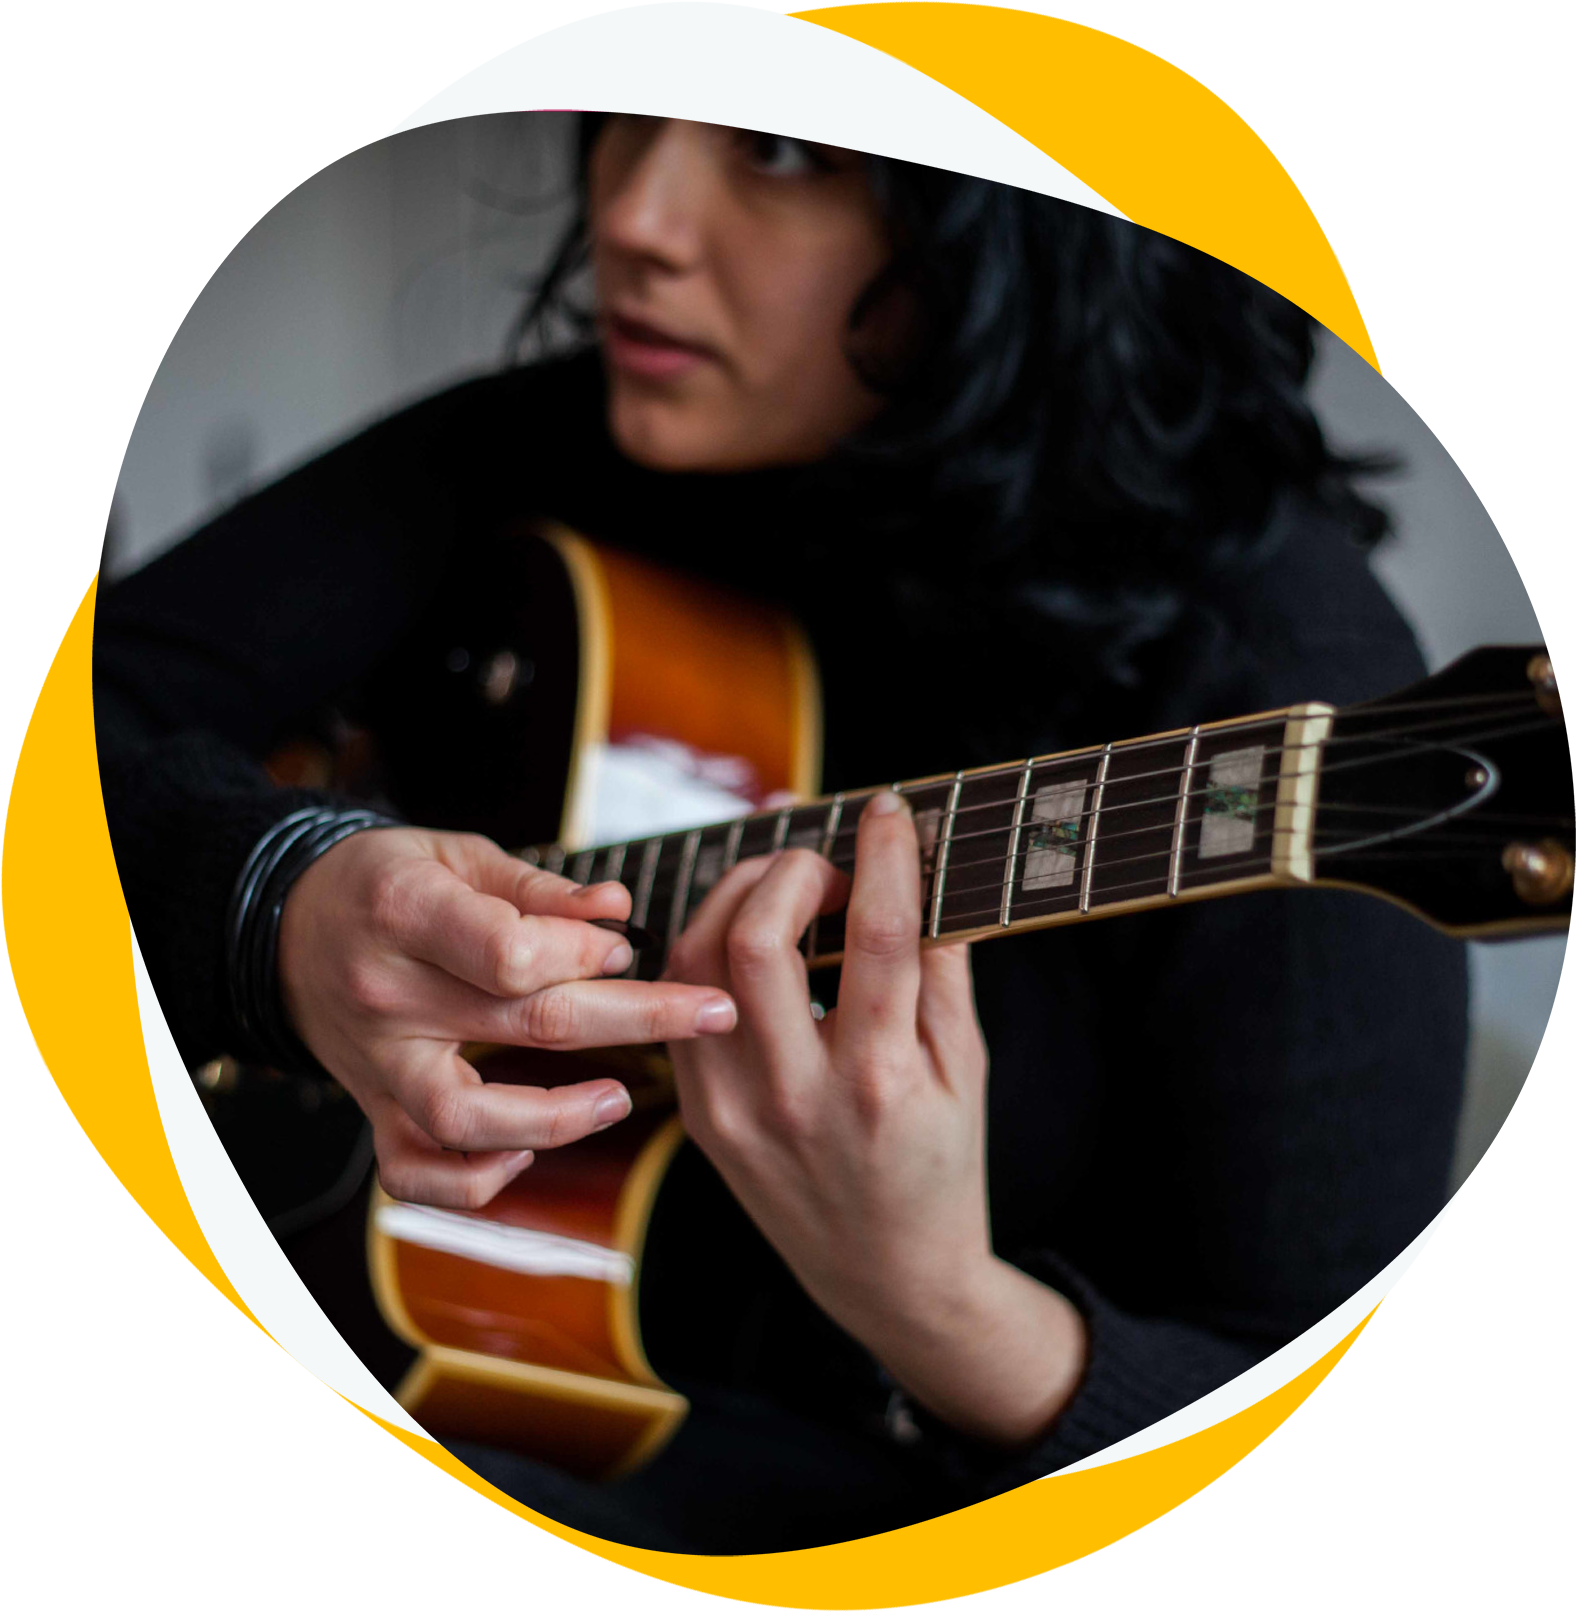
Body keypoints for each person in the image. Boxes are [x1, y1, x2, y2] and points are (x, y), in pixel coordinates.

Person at [95, 115, 1482, 1554]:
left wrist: (939, 1305)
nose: (635, 218)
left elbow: (1352, 1492)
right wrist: (274, 906)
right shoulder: (568, 442)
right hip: (503, 1408)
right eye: (629, 113)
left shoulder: (1282, 693)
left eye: (776, 152)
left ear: (1018, 214)